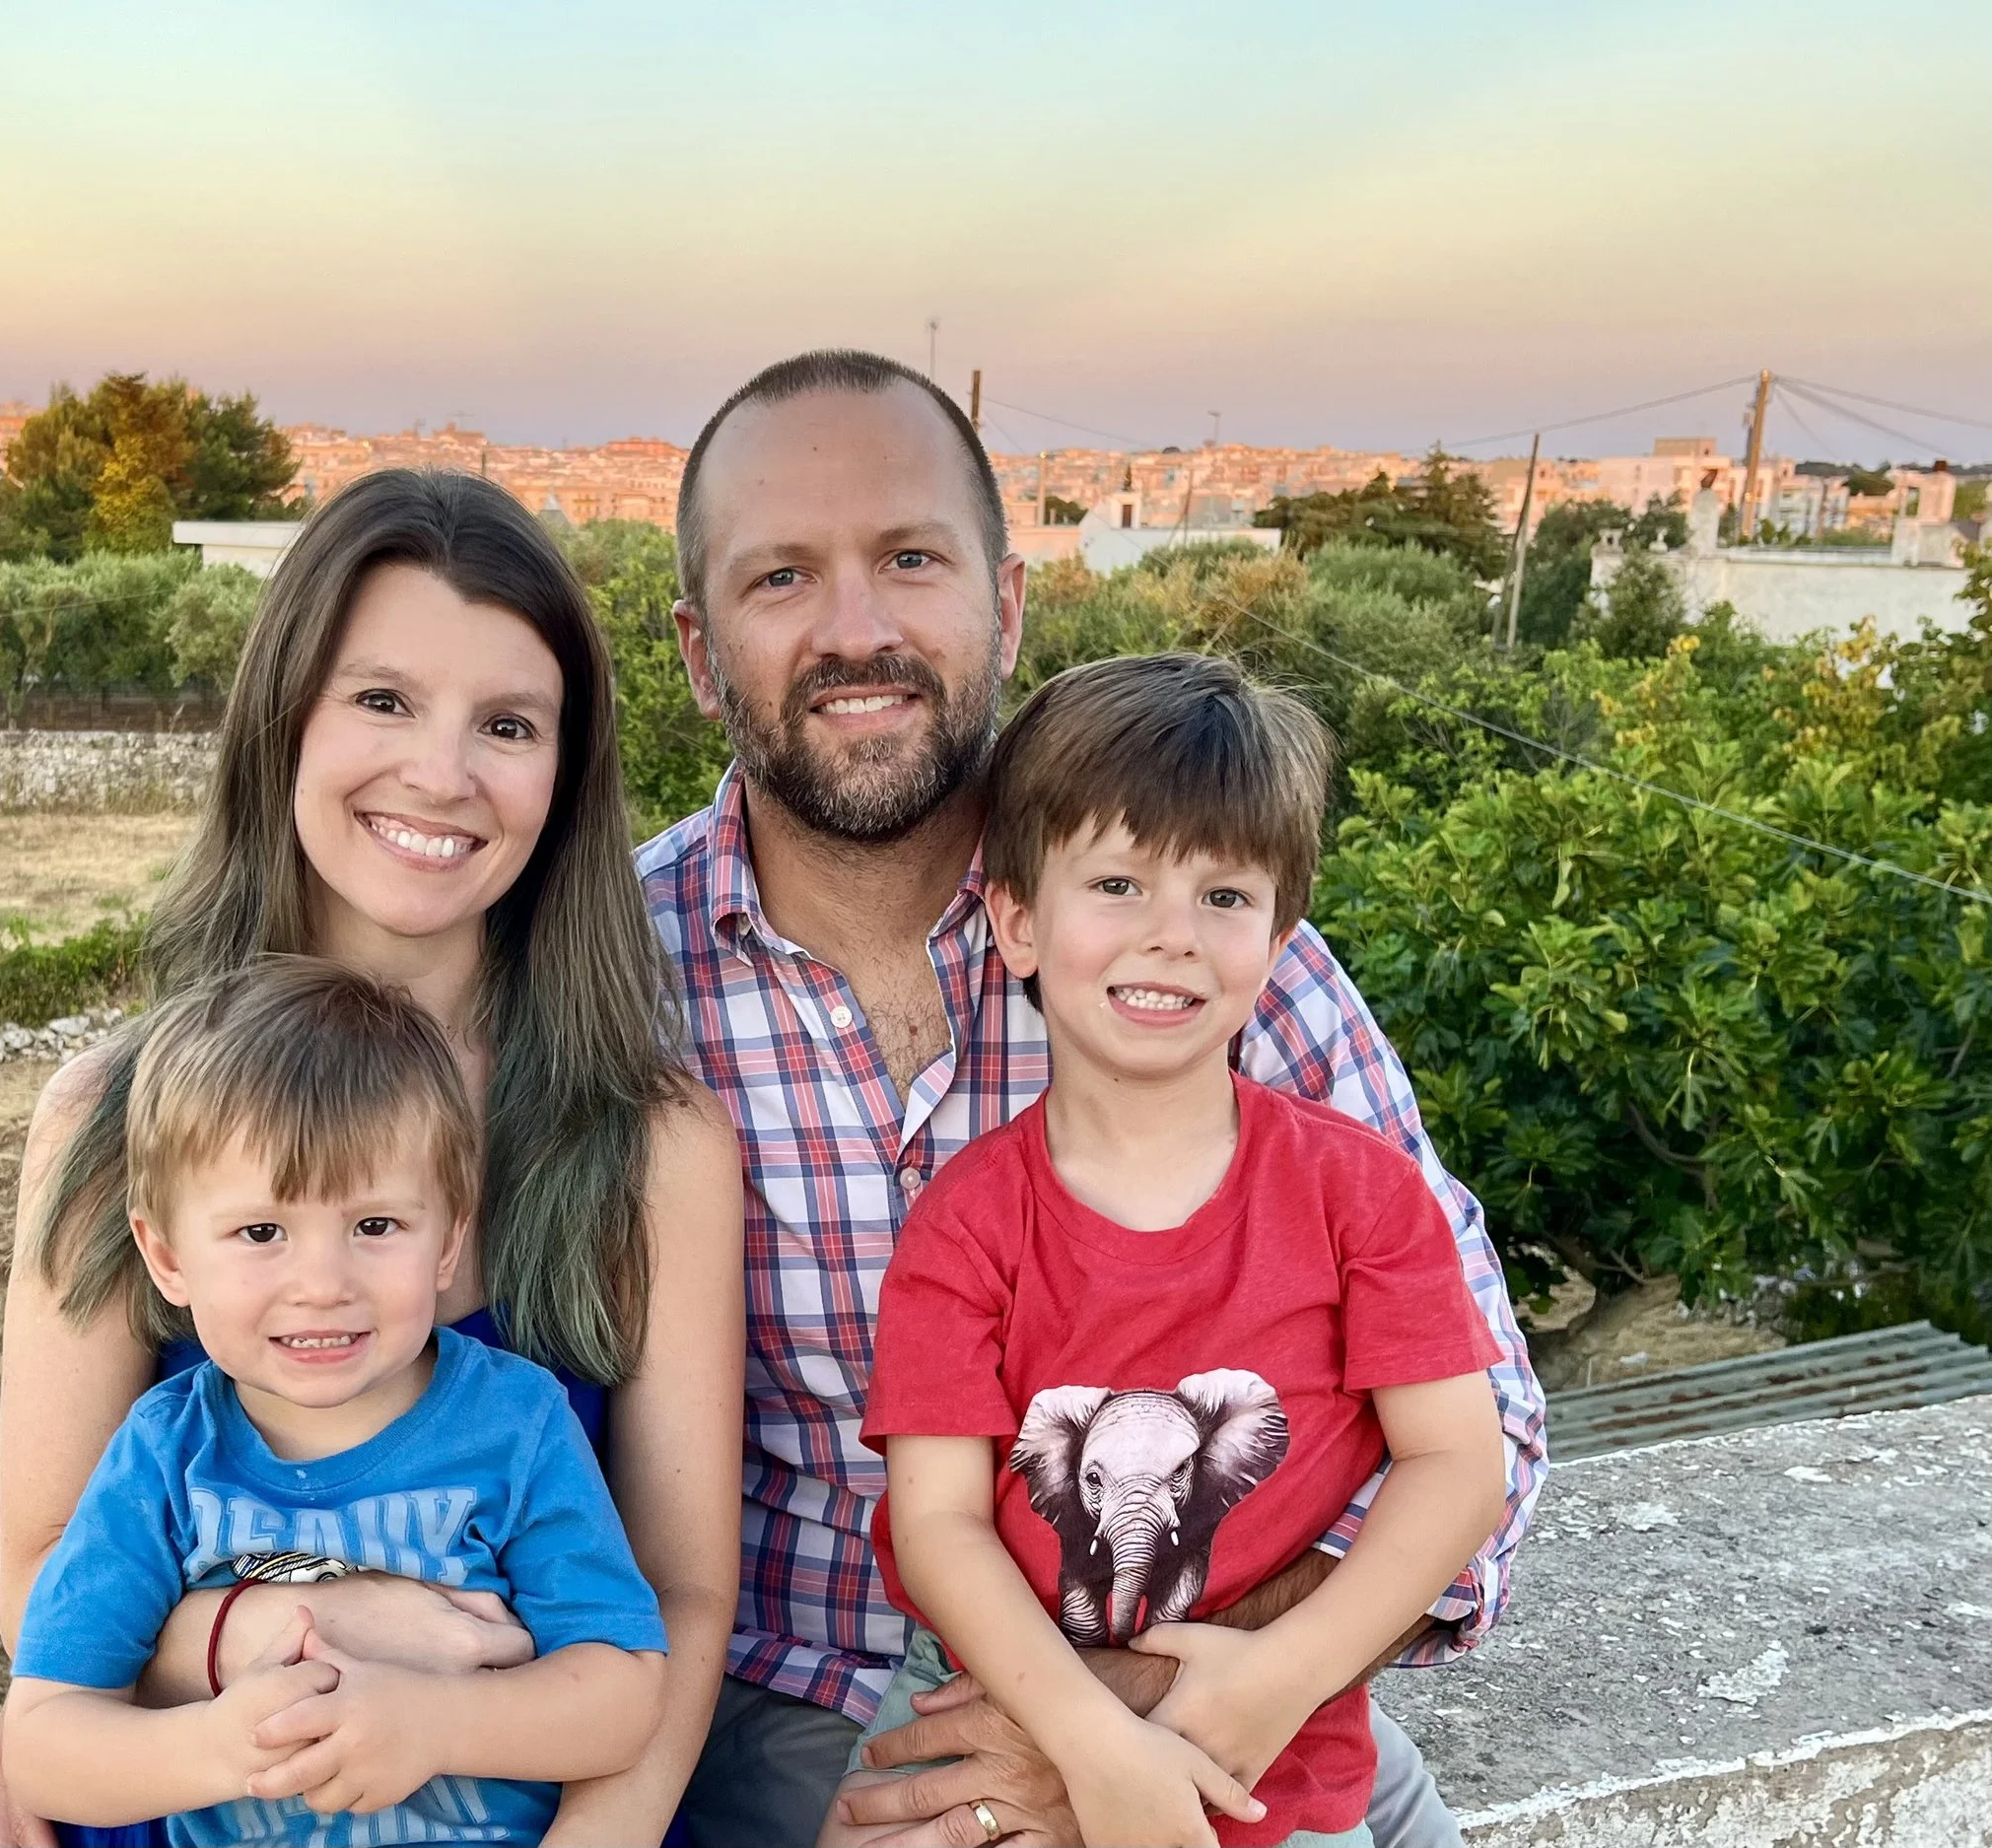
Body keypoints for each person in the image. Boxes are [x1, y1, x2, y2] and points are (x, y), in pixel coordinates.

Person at [637, 350, 1548, 1848]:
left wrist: (1137, 1712)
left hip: (1250, 1695)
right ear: (695, 645)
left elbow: (1485, 1424)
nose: (857, 628)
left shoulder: (1212, 955)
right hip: (824, 1724)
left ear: (1005, 604)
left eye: (911, 558)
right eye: (783, 575)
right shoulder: (616, 977)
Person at [0, 470, 744, 1848]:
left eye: (507, 723)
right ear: (284, 718)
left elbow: (681, 1593)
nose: (440, 773)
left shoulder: (651, 1140)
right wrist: (291, 1626)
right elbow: (44, 1580)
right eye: (382, 699)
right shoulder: (108, 1118)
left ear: (564, 773)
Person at [827, 654, 1506, 1848]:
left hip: (1273, 1744)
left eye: (1224, 898)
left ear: (1280, 936)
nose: (1172, 937)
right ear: (1019, 923)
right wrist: (1092, 1749)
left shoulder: (1363, 1195)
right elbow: (939, 1526)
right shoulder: (965, 1225)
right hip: (998, 1691)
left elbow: (1458, 1463)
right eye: (1120, 884)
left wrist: (1281, 1673)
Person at [0, 957, 669, 1844]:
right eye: (262, 1231)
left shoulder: (516, 1422)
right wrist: (221, 1744)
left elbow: (622, 1690)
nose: (323, 1284)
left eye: (374, 1225)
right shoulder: (164, 1457)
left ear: (447, 1239)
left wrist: (435, 1723)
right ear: (166, 1258)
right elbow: (45, 1739)